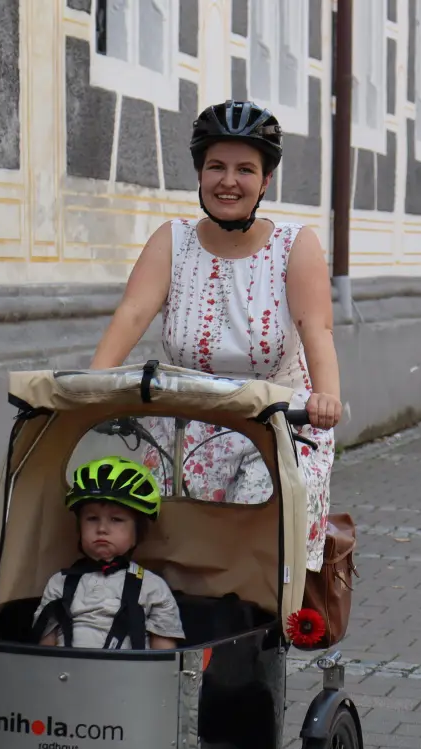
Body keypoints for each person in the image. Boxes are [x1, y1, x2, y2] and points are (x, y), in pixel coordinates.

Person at [88, 99, 342, 581]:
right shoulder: (174, 240)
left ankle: (262, 638)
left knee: (252, 555)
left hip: (277, 424)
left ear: (265, 181)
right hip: (188, 427)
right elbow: (134, 312)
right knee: (165, 554)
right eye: (216, 166)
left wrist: (326, 398)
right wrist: (88, 387)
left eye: (245, 169)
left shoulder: (293, 244)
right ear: (200, 174)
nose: (229, 180)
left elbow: (317, 328)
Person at [32, 456, 186, 650]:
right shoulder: (59, 584)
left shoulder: (153, 588)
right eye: (92, 518)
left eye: (116, 519)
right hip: (66, 676)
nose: (102, 528)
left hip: (129, 678)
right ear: (79, 529)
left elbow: (164, 658)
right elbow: (44, 650)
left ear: (137, 534)